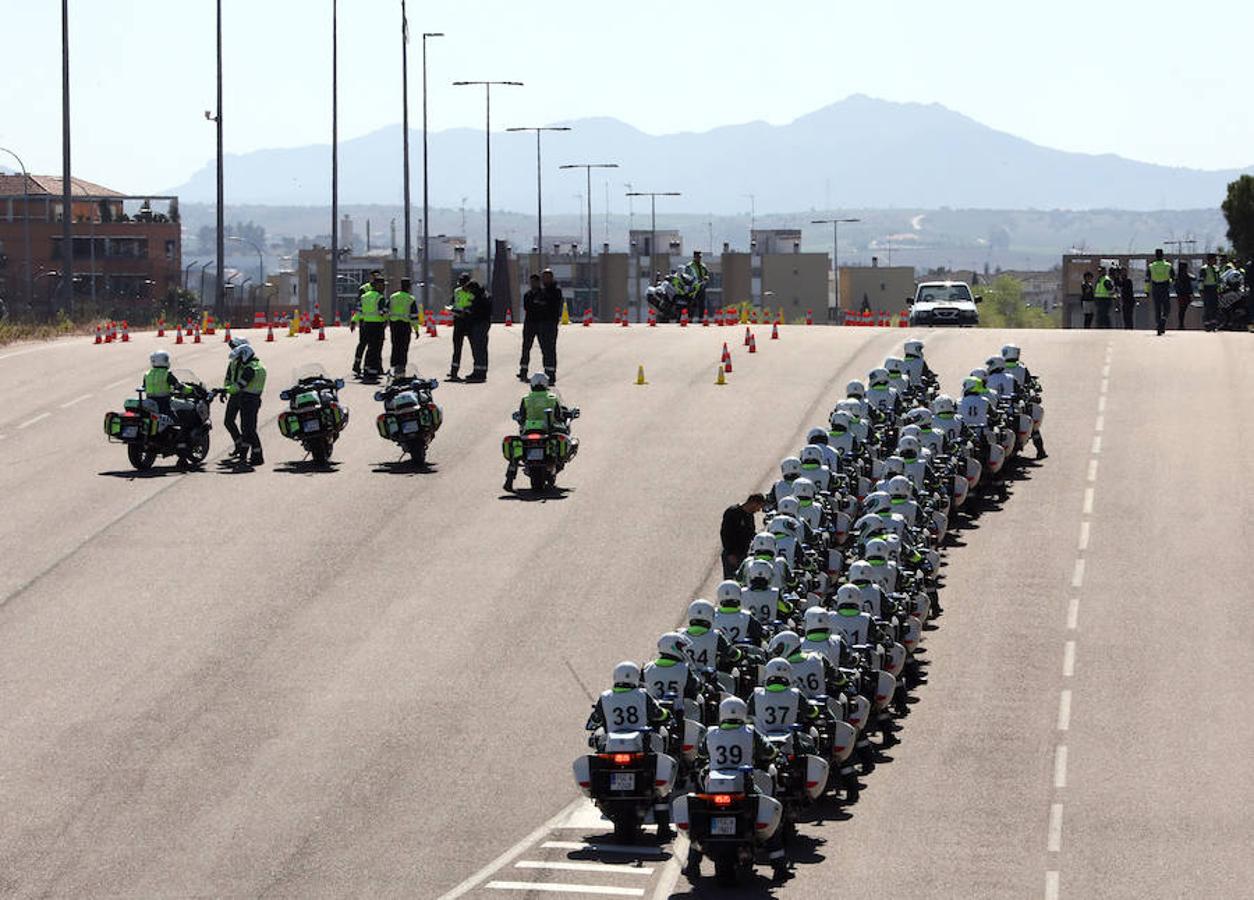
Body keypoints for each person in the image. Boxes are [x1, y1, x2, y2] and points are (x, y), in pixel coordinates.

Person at [503, 372, 572, 491]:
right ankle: (552, 467)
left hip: (529, 429)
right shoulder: (552, 397)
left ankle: (509, 480)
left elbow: (522, 417)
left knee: (516, 453)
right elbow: (558, 415)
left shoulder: (526, 398)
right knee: (563, 435)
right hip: (548, 429)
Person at [222, 342, 266, 465]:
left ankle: (257, 455)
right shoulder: (257, 365)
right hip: (250, 399)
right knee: (246, 429)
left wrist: (225, 390)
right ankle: (244, 454)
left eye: (241, 357)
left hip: (249, 400)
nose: (240, 360)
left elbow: (240, 385)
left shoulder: (250, 369)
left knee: (249, 430)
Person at [519, 268, 562, 384]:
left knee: (549, 349)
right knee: (533, 347)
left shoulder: (555, 291)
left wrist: (541, 304)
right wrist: (540, 304)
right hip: (540, 323)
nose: (544, 279)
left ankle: (550, 374)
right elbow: (531, 306)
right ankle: (528, 370)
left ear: (551, 278)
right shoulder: (538, 292)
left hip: (550, 323)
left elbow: (551, 306)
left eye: (547, 277)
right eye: (543, 277)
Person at [448, 273, 491, 382]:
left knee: (477, 348)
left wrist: (468, 311)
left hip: (471, 323)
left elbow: (478, 309)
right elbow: (453, 303)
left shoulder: (477, 295)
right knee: (458, 348)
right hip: (460, 321)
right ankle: (455, 371)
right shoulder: (458, 292)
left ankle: (479, 372)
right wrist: (454, 310)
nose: (463, 287)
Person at [720, 493, 767, 577]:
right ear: (753, 503)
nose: (759, 510)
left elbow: (751, 533)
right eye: (759, 506)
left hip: (744, 553)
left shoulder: (750, 516)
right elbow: (725, 534)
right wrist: (730, 554)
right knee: (732, 580)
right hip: (733, 554)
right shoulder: (733, 512)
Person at [354, 274, 389, 377]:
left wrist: (354, 320)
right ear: (377, 285)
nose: (384, 288)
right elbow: (382, 312)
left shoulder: (364, 296)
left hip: (366, 324)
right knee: (376, 348)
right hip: (377, 325)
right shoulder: (380, 298)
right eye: (382, 285)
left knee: (369, 347)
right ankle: (372, 369)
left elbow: (359, 311)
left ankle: (367, 368)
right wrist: (387, 317)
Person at [387, 277, 419, 376]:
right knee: (404, 348)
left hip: (394, 325)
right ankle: (401, 368)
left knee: (395, 346)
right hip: (405, 325)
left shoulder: (393, 297)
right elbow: (414, 317)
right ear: (409, 287)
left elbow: (386, 310)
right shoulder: (411, 299)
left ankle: (393, 367)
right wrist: (416, 330)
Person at [143, 350, 182, 415]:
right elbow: (177, 385)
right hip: (163, 402)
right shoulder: (166, 374)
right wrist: (187, 389)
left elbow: (144, 386)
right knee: (175, 417)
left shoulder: (147, 374)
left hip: (150, 401)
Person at [1146, 248, 1174, 336]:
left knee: (1157, 308)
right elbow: (1173, 277)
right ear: (1162, 255)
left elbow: (1147, 279)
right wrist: (1170, 283)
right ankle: (1163, 319)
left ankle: (1159, 324)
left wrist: (1146, 290)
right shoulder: (1168, 265)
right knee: (1167, 308)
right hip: (1165, 287)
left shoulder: (1151, 266)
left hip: (1155, 287)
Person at [1199, 253, 1221, 331]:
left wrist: (1219, 290)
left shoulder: (1216, 268)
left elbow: (1218, 280)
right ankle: (1207, 324)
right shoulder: (1204, 269)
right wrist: (1201, 291)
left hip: (1214, 289)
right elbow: (1201, 281)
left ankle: (1214, 323)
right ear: (1209, 260)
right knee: (1208, 307)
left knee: (1215, 307)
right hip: (1207, 289)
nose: (1215, 261)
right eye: (1214, 259)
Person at [687, 250, 710, 320]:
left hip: (701, 286)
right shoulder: (689, 265)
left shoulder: (703, 266)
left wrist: (706, 278)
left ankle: (701, 318)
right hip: (692, 286)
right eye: (697, 257)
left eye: (700, 257)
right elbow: (686, 275)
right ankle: (690, 318)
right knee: (692, 302)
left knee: (702, 303)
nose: (699, 258)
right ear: (694, 257)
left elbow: (707, 274)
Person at [1174, 261, 1193, 331]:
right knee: (1183, 310)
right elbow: (1194, 278)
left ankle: (1181, 324)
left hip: (1180, 294)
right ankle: (1181, 324)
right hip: (1185, 295)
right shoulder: (1186, 275)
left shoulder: (1178, 276)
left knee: (1181, 310)